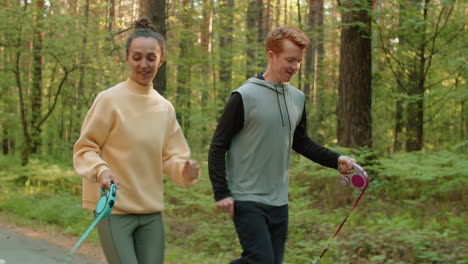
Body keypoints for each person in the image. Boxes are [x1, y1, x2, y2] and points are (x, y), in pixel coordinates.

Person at [208, 25, 356, 264]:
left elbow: (302, 143)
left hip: (279, 200)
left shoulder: (297, 98)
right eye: (290, 60)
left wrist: (336, 160)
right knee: (261, 260)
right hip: (247, 195)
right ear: (271, 55)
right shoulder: (244, 96)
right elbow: (218, 145)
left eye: (298, 61)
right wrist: (221, 191)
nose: (294, 67)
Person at [73, 17, 200, 264]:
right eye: (137, 57)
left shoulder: (164, 108)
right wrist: (101, 171)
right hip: (114, 209)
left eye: (151, 58)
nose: (144, 64)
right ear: (127, 58)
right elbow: (85, 148)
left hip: (151, 212)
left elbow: (172, 157)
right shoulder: (109, 100)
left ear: (161, 60)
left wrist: (185, 169)